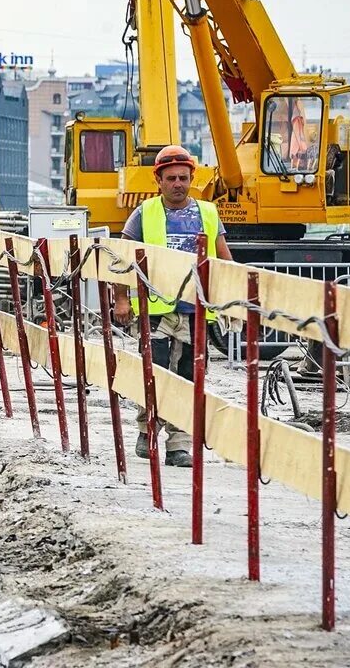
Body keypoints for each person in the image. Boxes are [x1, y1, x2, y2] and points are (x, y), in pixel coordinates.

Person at [112, 145, 233, 468]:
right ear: (159, 181)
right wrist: (121, 299)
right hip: (156, 309)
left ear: (192, 178)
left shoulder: (208, 213)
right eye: (171, 178)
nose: (178, 184)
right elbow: (121, 257)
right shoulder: (144, 213)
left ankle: (179, 443)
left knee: (188, 375)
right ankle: (147, 427)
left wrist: (232, 301)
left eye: (183, 178)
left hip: (195, 309)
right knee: (157, 369)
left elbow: (224, 259)